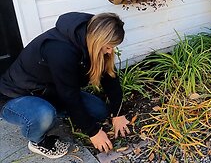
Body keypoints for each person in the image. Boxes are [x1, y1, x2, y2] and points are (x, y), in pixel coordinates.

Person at [0, 12, 130, 159]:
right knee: (43, 114)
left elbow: (109, 76)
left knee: (99, 111)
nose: (110, 51)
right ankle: (37, 141)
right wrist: (93, 133)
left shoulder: (92, 33)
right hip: (17, 96)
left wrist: (118, 113)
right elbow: (70, 97)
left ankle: (55, 112)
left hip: (51, 91)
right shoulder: (61, 51)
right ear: (98, 40)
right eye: (108, 47)